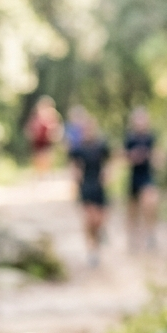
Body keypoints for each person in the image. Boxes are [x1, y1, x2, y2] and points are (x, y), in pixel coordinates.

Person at [66, 107, 110, 267]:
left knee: (99, 220)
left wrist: (107, 175)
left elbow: (108, 163)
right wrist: (74, 182)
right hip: (85, 185)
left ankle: (97, 243)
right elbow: (73, 167)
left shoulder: (101, 145)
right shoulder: (77, 149)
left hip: (99, 186)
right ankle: (92, 249)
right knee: (88, 219)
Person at [123, 107, 159, 250]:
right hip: (134, 177)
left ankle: (150, 234)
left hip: (147, 176)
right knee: (133, 210)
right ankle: (132, 237)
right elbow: (124, 157)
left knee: (150, 202)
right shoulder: (130, 138)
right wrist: (133, 157)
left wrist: (154, 158)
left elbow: (156, 155)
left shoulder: (151, 137)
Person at [25, 95, 62, 175]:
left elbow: (57, 129)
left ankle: (45, 178)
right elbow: (30, 128)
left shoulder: (53, 116)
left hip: (47, 143)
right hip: (37, 143)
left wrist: (53, 135)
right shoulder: (36, 117)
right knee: (38, 162)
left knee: (46, 161)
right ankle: (40, 177)